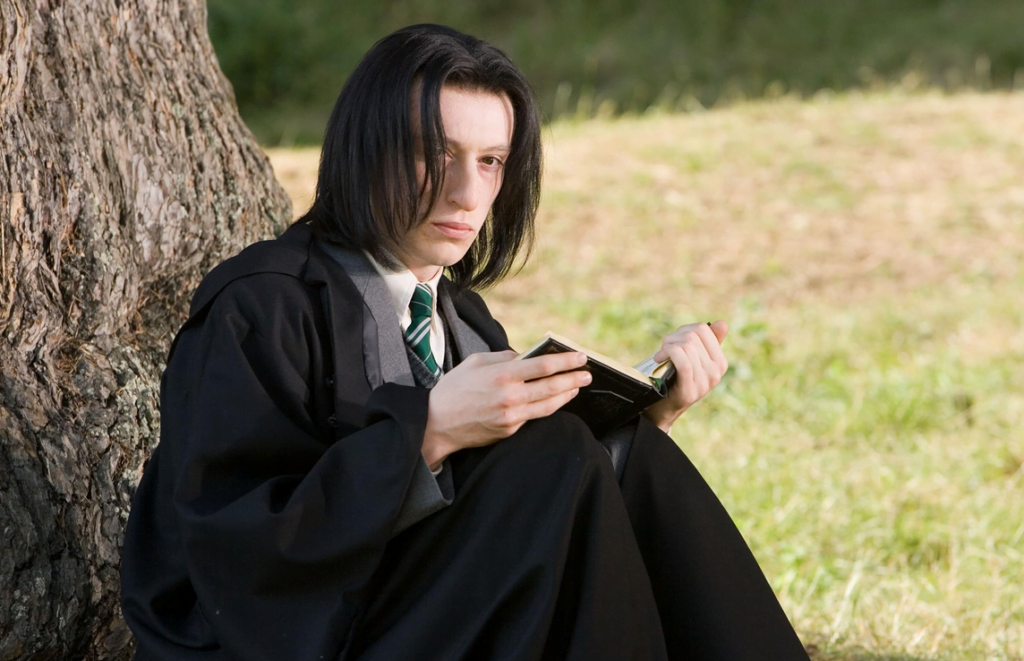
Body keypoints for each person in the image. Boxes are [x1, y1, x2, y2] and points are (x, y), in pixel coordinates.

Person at [121, 23, 811, 661]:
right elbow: (233, 544)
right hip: (293, 637)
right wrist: (425, 433)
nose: (466, 192)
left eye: (490, 161)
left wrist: (638, 419)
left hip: (433, 616)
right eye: (435, 154)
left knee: (630, 452)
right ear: (366, 149)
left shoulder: (464, 320)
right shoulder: (260, 303)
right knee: (558, 452)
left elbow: (513, 514)